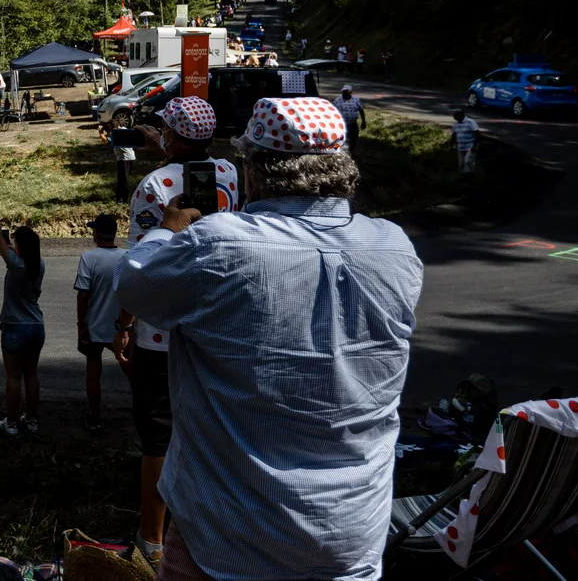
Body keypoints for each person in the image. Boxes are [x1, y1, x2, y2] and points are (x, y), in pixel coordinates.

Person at [117, 97, 423, 581]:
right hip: (351, 528)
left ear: (253, 170)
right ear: (344, 168)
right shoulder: (394, 246)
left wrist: (166, 234)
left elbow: (134, 285)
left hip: (228, 531)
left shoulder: (218, 243)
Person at [116, 96, 241, 564]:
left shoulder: (153, 186)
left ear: (171, 134)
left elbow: (141, 265)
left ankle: (152, 538)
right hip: (213, 322)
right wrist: (167, 154)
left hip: (158, 332)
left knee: (157, 436)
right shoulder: (228, 173)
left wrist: (123, 324)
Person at [0, 191, 44, 436]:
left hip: (14, 326)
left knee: (13, 376)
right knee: (31, 374)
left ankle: (10, 423)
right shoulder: (38, 264)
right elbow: (10, 246)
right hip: (35, 324)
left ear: (19, 247)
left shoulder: (15, 264)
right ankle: (31, 420)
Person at [74, 214, 122, 432]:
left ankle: (95, 418)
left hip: (94, 326)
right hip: (121, 327)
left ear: (96, 233)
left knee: (93, 372)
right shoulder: (127, 257)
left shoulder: (89, 258)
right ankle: (141, 414)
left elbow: (82, 296)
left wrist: (81, 326)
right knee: (131, 371)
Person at [452, 108, 481, 174]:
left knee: (468, 162)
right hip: (460, 147)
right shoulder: (456, 124)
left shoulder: (470, 122)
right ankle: (460, 177)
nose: (454, 117)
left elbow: (477, 134)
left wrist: (474, 146)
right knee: (461, 164)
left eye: (456, 116)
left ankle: (470, 176)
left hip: (470, 147)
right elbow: (454, 134)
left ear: (461, 115)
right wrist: (451, 143)